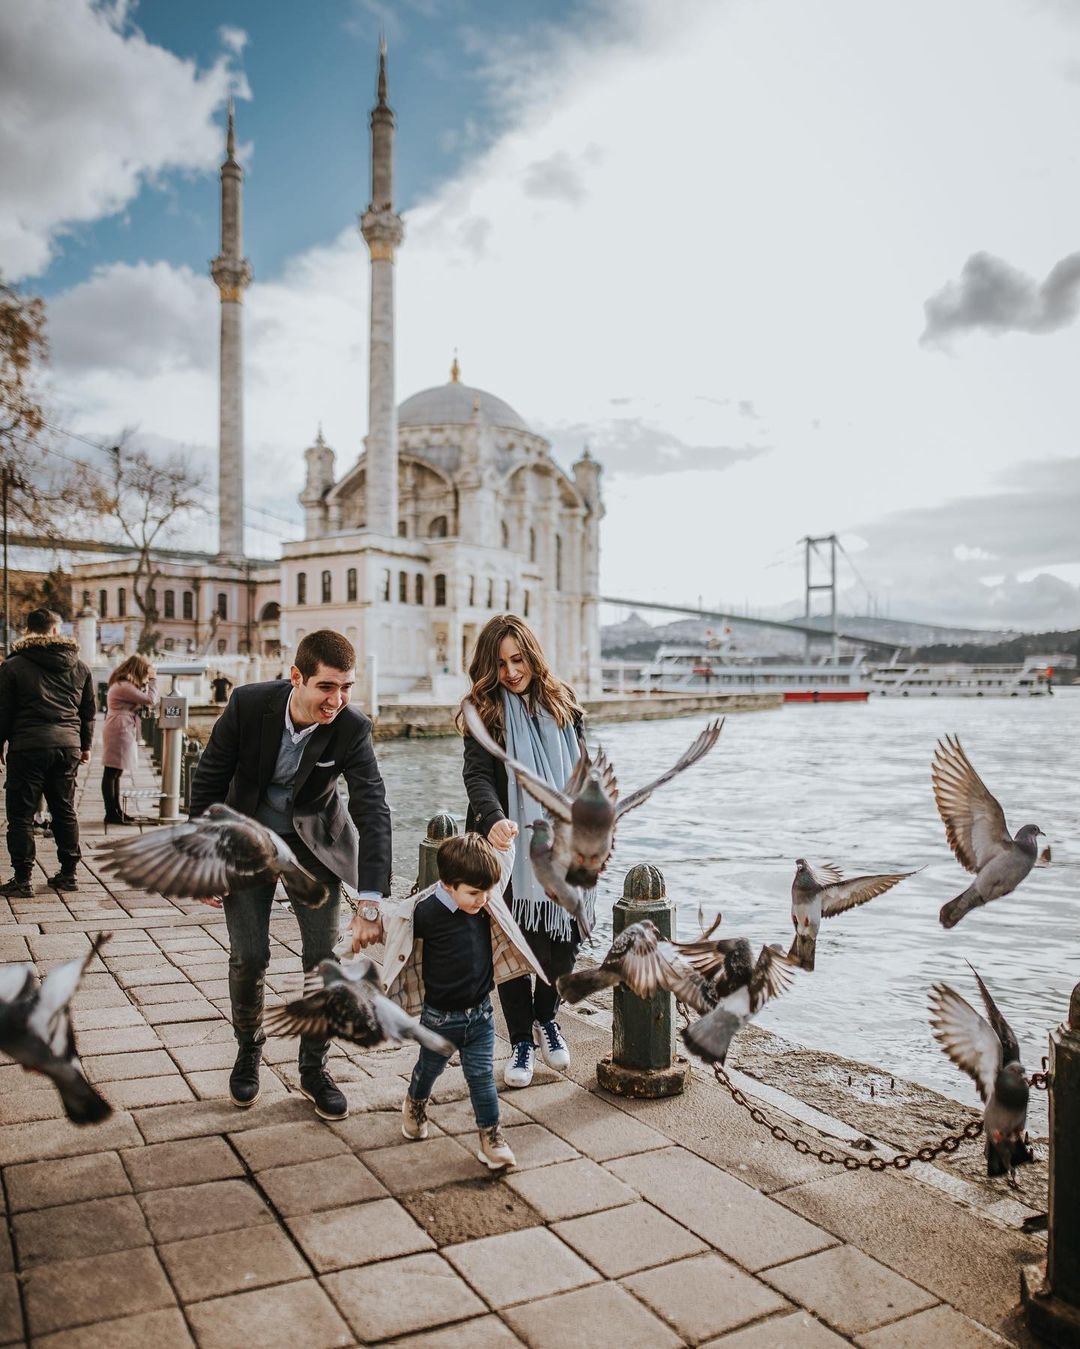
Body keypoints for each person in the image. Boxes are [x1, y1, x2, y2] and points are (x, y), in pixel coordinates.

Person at [189, 628, 392, 1121]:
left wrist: (371, 897)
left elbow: (373, 807)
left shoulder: (350, 727)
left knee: (322, 962)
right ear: (297, 677)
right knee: (249, 956)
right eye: (327, 687)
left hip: (315, 849)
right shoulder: (248, 705)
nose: (338, 700)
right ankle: (247, 1047)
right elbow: (211, 777)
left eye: (347, 687)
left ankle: (313, 1066)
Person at [459, 613, 590, 1089]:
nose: (511, 672)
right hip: (509, 846)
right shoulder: (484, 711)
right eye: (500, 664)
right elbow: (476, 775)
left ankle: (546, 1017)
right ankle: (519, 1039)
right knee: (511, 945)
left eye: (518, 660)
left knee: (562, 945)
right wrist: (495, 821)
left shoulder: (565, 706)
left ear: (533, 657)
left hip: (564, 844)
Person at [379, 828, 544, 1170]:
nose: (482, 899)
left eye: (486, 892)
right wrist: (361, 926)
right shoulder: (425, 913)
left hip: (481, 1016)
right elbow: (391, 924)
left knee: (482, 1077)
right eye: (473, 893)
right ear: (448, 885)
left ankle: (491, 1137)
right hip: (440, 1018)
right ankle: (415, 1100)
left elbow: (500, 868)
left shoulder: (483, 903)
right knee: (428, 1069)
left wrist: (503, 843)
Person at [0, 609, 96, 897]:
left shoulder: (13, 666)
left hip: (28, 746)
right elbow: (88, 712)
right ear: (56, 630)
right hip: (67, 746)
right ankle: (68, 874)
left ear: (28, 631)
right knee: (64, 809)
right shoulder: (79, 666)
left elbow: (4, 712)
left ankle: (23, 878)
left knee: (21, 814)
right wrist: (86, 745)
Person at [101, 655, 158, 824]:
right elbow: (150, 700)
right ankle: (111, 813)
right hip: (118, 728)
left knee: (115, 772)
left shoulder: (123, 684)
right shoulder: (124, 686)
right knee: (111, 772)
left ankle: (116, 811)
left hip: (119, 726)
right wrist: (154, 679)